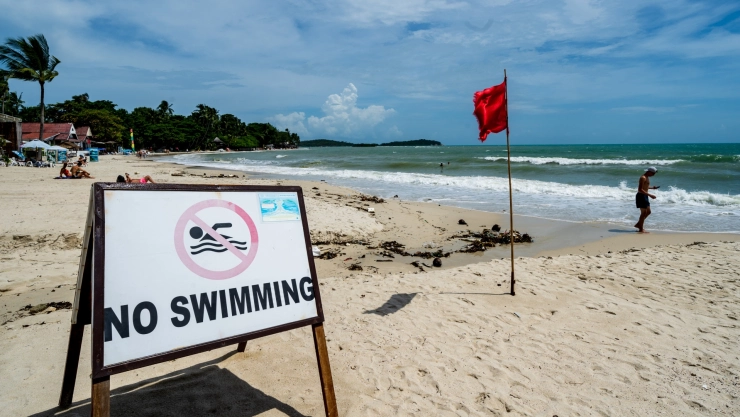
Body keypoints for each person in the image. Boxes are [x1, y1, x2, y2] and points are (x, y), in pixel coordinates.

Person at [634, 167, 659, 233]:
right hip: (641, 196)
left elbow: (645, 187)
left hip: (644, 195)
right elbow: (640, 189)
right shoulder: (643, 178)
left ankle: (639, 224)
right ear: (649, 172)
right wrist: (650, 195)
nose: (653, 175)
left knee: (648, 212)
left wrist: (652, 188)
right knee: (643, 213)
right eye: (653, 173)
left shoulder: (646, 177)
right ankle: (641, 229)